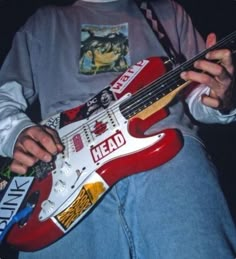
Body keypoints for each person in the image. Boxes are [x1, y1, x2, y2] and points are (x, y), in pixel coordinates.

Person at [0, 0, 236, 258]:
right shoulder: (44, 21)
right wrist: (17, 132)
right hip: (61, 164)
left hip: (170, 152)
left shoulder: (167, 11)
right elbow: (4, 97)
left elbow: (200, 94)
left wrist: (223, 96)